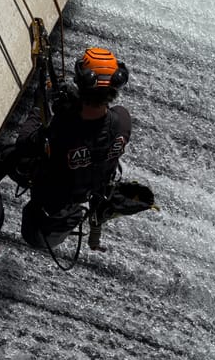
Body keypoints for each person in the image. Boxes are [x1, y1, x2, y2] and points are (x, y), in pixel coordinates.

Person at [15, 46, 132, 250]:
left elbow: (25, 141)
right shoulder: (123, 120)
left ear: (80, 82)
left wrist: (38, 104)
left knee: (5, 154)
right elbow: (95, 132)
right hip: (84, 192)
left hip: (52, 194)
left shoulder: (63, 129)